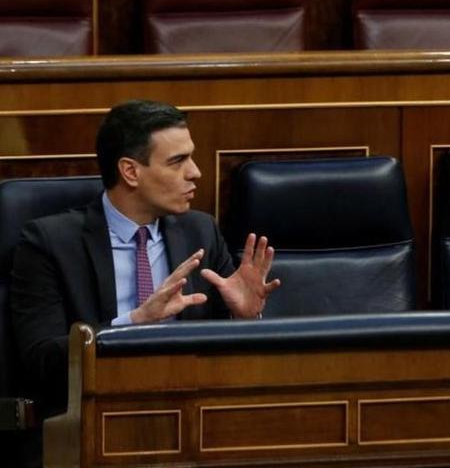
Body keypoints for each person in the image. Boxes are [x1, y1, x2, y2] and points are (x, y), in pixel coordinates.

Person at [9, 100, 282, 422]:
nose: (196, 172)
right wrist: (134, 323)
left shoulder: (200, 231)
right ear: (130, 171)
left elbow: (229, 358)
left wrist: (244, 320)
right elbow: (39, 360)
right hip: (94, 418)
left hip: (192, 414)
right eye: (178, 161)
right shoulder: (50, 243)